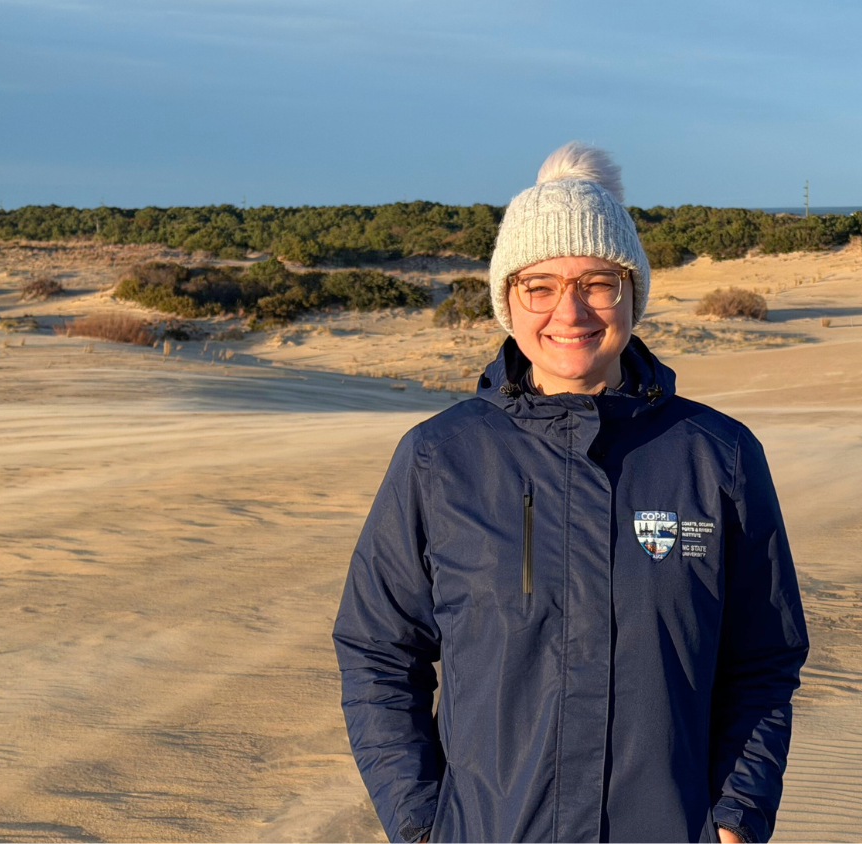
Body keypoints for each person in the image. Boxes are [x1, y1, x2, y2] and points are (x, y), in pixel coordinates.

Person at [332, 143, 808, 843]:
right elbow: (377, 653)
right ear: (508, 299)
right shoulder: (440, 460)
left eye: (597, 281)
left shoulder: (719, 457)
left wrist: (736, 820)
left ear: (631, 291)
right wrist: (424, 825)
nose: (571, 311)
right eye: (541, 285)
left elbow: (763, 660)